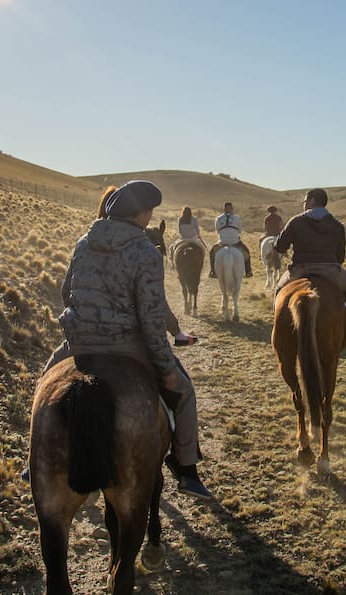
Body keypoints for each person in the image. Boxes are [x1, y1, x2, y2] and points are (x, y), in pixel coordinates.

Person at [56, 180, 212, 499]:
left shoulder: (83, 242)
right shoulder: (145, 251)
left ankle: (36, 457)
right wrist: (165, 365)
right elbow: (152, 318)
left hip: (79, 341)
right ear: (142, 213)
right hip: (125, 343)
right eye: (149, 211)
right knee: (184, 393)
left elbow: (64, 293)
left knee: (46, 380)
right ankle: (186, 469)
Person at [273, 188, 346, 345]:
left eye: (305, 201)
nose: (304, 204)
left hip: (300, 270)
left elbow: (279, 247)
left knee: (279, 290)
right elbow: (340, 257)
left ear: (312, 201)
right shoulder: (337, 225)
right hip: (330, 271)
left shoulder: (296, 221)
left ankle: (279, 326)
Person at [208, 201, 253, 278]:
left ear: (224, 209)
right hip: (235, 242)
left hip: (222, 242)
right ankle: (248, 271)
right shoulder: (237, 218)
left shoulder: (218, 218)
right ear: (232, 209)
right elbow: (240, 231)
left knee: (212, 253)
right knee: (247, 251)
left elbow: (218, 231)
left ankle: (213, 271)